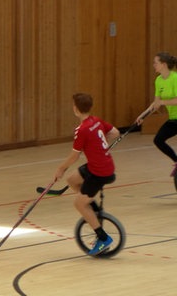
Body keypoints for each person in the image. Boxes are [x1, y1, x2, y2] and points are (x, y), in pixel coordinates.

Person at [55, 93, 120, 256]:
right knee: (72, 180)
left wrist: (61, 168)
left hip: (99, 172)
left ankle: (103, 238)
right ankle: (94, 210)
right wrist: (100, 144)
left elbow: (74, 156)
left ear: (75, 109)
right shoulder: (96, 121)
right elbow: (116, 133)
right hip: (99, 165)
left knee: (79, 204)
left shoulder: (81, 129)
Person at [136, 52, 177, 178]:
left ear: (164, 65)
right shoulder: (158, 80)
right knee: (158, 140)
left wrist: (163, 102)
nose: (154, 65)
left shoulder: (175, 78)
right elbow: (156, 103)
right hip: (174, 119)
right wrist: (143, 115)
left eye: (156, 63)